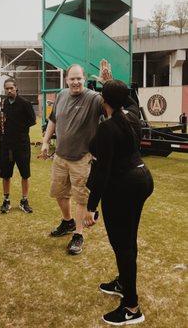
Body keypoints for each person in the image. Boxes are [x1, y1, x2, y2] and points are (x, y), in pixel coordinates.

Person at [83, 80, 154, 326]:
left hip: (124, 186)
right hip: (142, 180)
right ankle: (124, 283)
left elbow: (101, 173)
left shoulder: (108, 128)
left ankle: (132, 307)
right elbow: (132, 102)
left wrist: (91, 208)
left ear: (104, 101)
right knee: (128, 241)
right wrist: (109, 78)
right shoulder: (133, 116)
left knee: (122, 244)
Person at [40, 63, 109, 255]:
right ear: (66, 80)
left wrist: (107, 83)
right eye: (72, 78)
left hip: (82, 158)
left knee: (81, 198)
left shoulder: (93, 98)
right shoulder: (61, 95)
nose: (76, 82)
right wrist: (45, 141)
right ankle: (68, 221)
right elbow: (53, 120)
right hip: (60, 156)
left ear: (84, 79)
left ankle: (78, 234)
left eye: (79, 78)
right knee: (59, 193)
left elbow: (110, 103)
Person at [0, 78, 36, 214]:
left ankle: (24, 200)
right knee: (6, 174)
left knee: (25, 174)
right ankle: (6, 200)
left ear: (16, 88)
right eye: (6, 88)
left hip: (22, 144)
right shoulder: (5, 103)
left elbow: (32, 121)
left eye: (11, 88)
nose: (9, 90)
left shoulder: (25, 103)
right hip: (7, 145)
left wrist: (17, 128)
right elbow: (2, 123)